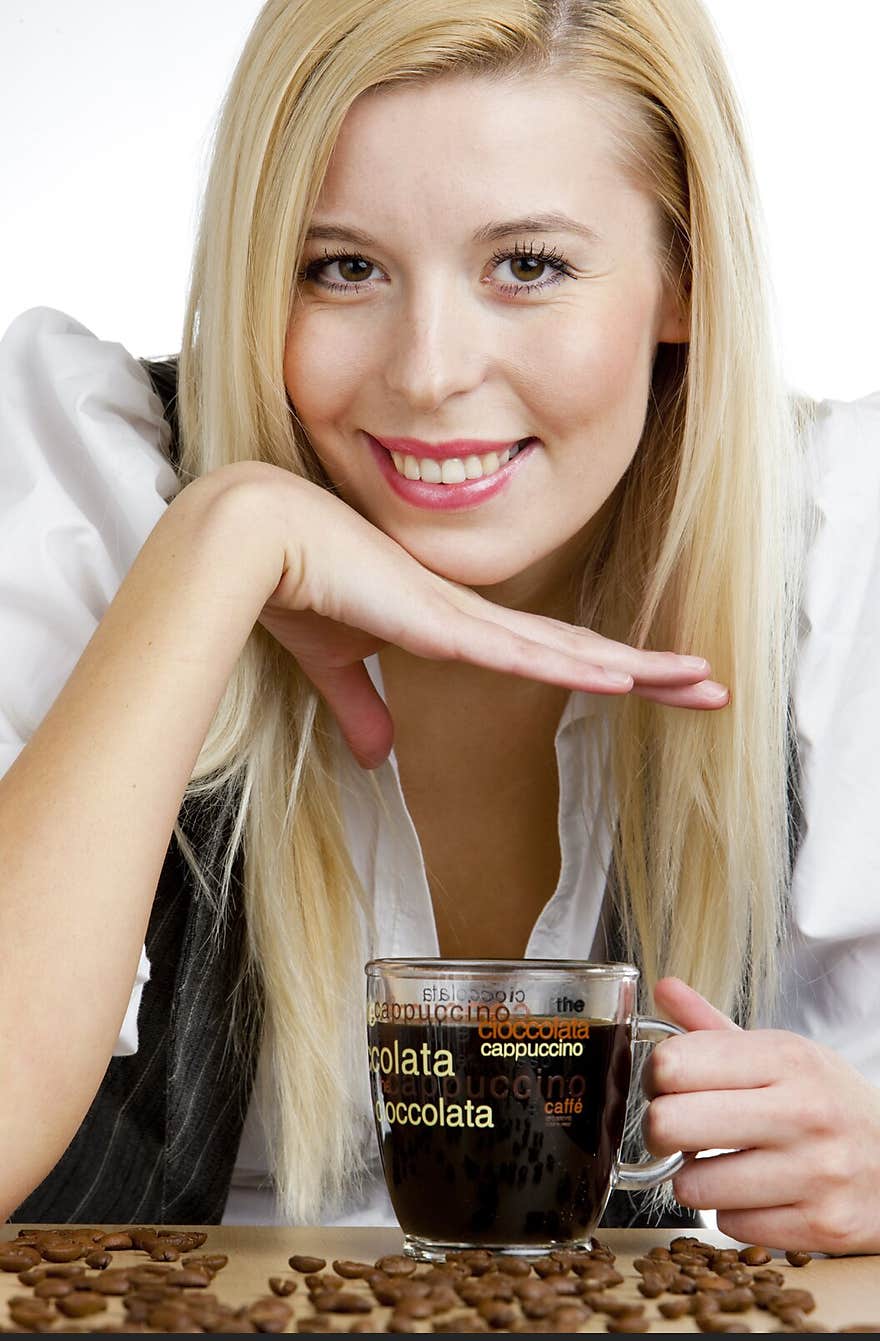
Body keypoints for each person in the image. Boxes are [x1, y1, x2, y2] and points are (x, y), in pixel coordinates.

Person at [1, 0, 878, 1253]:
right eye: (341, 267)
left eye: (527, 265)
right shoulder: (91, 485)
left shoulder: (843, 547)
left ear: (682, 278)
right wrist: (223, 540)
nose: (426, 370)